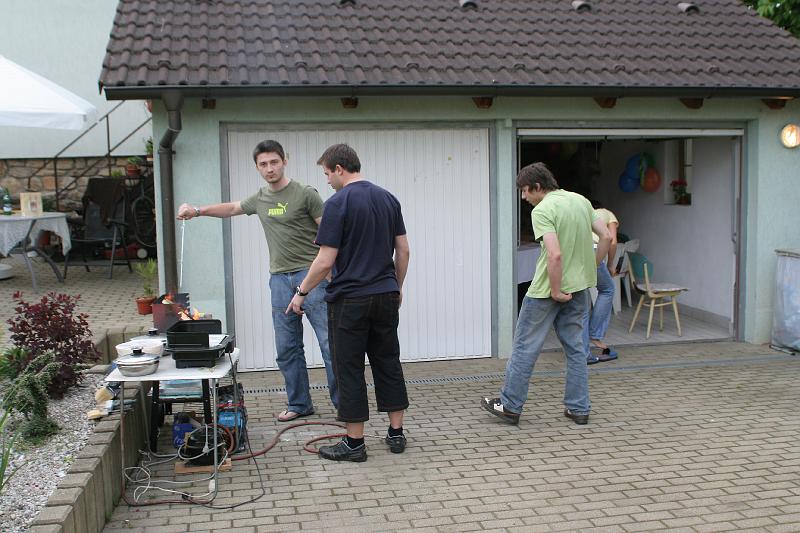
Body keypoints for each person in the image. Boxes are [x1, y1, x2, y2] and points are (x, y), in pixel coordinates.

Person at [176, 139, 337, 421]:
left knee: (329, 344)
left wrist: (331, 272)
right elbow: (232, 208)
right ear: (258, 167)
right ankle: (299, 404)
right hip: (279, 280)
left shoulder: (305, 194)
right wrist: (197, 211)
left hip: (311, 276)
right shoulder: (260, 199)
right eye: (263, 164)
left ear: (284, 161)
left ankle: (345, 406)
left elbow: (330, 235)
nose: (269, 168)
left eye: (274, 162)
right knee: (287, 348)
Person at [287, 143, 410, 462]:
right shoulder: (388, 199)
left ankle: (354, 444)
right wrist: (396, 287)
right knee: (388, 362)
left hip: (350, 301)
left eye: (327, 174)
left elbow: (325, 260)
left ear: (339, 169)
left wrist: (301, 292)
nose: (327, 180)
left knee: (349, 369)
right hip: (385, 296)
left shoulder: (337, 203)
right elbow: (403, 250)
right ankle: (396, 433)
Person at [481, 162, 610, 426]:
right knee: (576, 349)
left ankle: (510, 405)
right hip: (578, 289)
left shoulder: (543, 210)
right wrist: (590, 269)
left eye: (525, 190)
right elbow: (606, 237)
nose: (523, 197)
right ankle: (579, 409)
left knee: (524, 348)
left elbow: (555, 254)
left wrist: (555, 289)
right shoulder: (580, 201)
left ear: (537, 186)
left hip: (545, 291)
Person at [585, 200, 619, 365]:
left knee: (581, 296)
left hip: (579, 252)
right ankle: (594, 335)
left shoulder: (584, 212)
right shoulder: (608, 214)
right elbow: (612, 240)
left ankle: (581, 344)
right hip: (593, 251)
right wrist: (611, 264)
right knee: (608, 289)